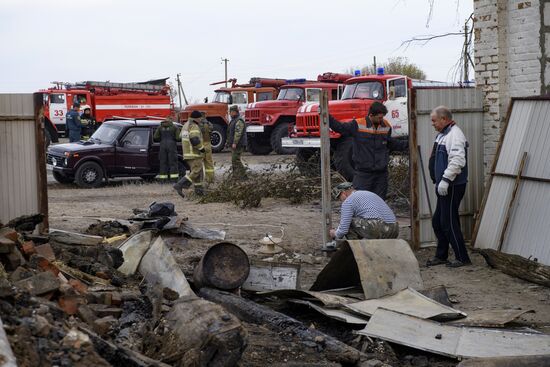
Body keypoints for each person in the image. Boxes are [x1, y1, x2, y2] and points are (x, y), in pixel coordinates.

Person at [329, 102, 408, 199]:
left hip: (381, 175)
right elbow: (340, 127)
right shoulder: (357, 125)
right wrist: (327, 117)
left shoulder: (386, 126)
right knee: (361, 203)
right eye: (379, 118)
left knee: (379, 203)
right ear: (371, 115)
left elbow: (390, 143)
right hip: (363, 174)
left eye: (382, 117)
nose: (381, 120)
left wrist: (408, 144)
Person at [427, 106, 471, 268]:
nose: (432, 124)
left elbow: (458, 160)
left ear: (444, 119)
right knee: (438, 221)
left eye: (434, 120)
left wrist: (445, 179)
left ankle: (462, 257)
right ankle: (441, 255)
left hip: (452, 186)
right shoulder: (443, 135)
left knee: (448, 221)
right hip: (443, 186)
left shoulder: (455, 135)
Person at [329, 182, 399, 240]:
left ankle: (355, 250)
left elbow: (343, 230)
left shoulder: (348, 201)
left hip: (379, 228)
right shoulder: (367, 193)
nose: (340, 200)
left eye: (339, 197)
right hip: (394, 228)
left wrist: (335, 234)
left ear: (343, 193)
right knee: (359, 222)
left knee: (349, 222)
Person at [174, 110, 205, 197]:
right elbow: (194, 139)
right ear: (197, 118)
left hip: (187, 153)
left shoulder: (185, 125)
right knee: (196, 171)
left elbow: (181, 136)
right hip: (194, 153)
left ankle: (199, 192)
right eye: (200, 118)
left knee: (198, 173)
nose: (201, 120)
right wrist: (201, 148)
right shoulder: (194, 126)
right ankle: (180, 185)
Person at [226, 105, 247, 178]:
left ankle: (243, 175)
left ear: (234, 112)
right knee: (234, 160)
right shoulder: (234, 120)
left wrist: (234, 143)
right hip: (235, 144)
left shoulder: (239, 121)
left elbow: (238, 133)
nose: (229, 113)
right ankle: (236, 175)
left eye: (230, 112)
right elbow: (230, 133)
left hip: (238, 144)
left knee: (236, 160)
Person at [199, 112, 215, 184]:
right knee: (209, 162)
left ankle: (200, 179)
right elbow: (212, 131)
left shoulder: (197, 124)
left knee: (199, 163)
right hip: (208, 144)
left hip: (200, 144)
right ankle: (210, 179)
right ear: (205, 116)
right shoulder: (209, 124)